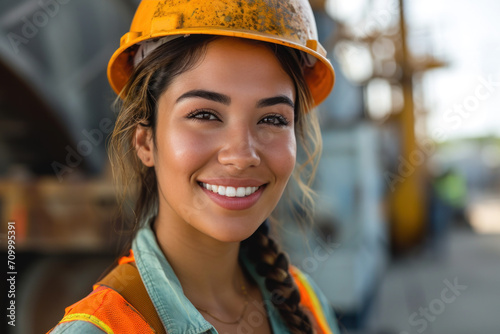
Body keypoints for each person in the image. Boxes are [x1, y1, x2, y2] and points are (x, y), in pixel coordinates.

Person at [48, 0, 338, 333]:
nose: (242, 155)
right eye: (204, 115)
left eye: (272, 119)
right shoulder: (103, 328)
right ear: (145, 142)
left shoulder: (307, 305)